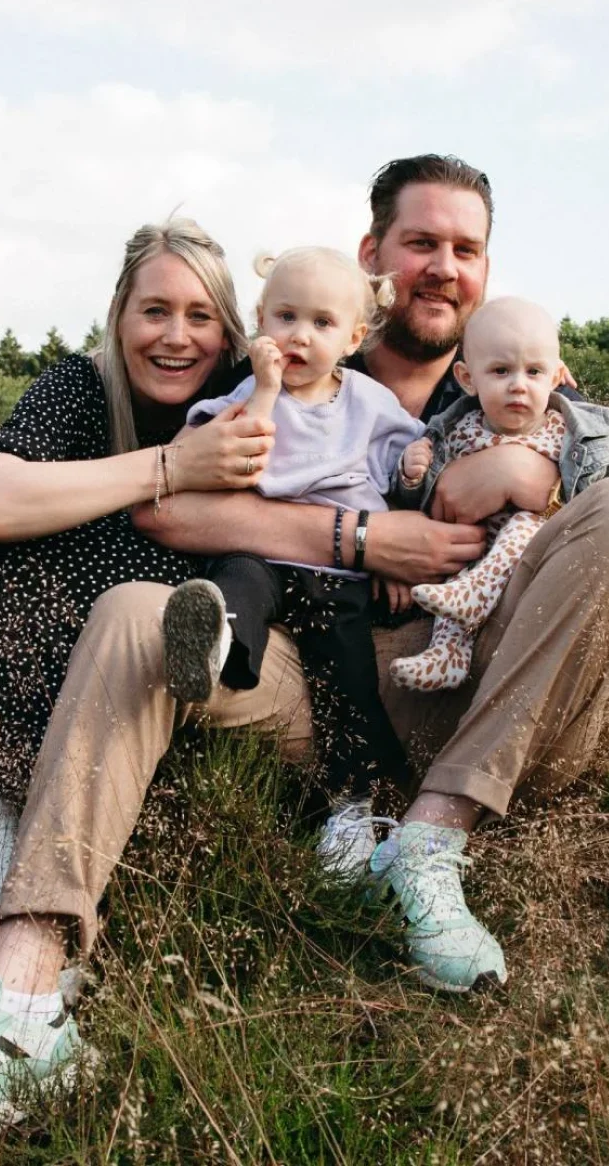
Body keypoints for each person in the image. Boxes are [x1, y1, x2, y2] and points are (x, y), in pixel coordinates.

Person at [0, 154, 609, 1143]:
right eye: (421, 244)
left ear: (488, 272)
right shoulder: (304, 360)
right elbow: (173, 509)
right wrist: (359, 539)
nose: (444, 268)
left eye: (466, 250)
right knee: (132, 612)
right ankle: (19, 998)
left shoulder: (532, 392)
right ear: (375, 261)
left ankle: (430, 838)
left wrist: (526, 478)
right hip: (316, 686)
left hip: (483, 696)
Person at [0, 216, 281, 1143]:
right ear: (118, 317)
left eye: (200, 315)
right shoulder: (84, 387)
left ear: (231, 330)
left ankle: (11, 963)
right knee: (10, 547)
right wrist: (166, 467)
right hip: (105, 663)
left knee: (143, 593)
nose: (175, 335)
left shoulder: (254, 397)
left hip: (230, 653)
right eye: (154, 309)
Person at [162, 246, 423, 878]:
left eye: (322, 324)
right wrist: (268, 390)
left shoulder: (369, 401)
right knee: (238, 584)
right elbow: (239, 459)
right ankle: (213, 643)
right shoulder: (251, 392)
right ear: (260, 322)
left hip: (338, 569)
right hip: (261, 546)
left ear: (354, 337)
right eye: (285, 317)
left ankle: (350, 810)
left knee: (346, 672)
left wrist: (406, 496)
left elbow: (403, 469)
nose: (299, 336)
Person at [389, 296, 609, 692]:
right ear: (468, 378)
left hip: (544, 571)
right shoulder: (451, 430)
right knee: (458, 577)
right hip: (467, 563)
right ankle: (447, 656)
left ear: (556, 375)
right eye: (500, 371)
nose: (519, 384)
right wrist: (411, 475)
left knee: (523, 524)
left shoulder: (585, 430)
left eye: (534, 371)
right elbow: (417, 504)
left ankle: (473, 599)